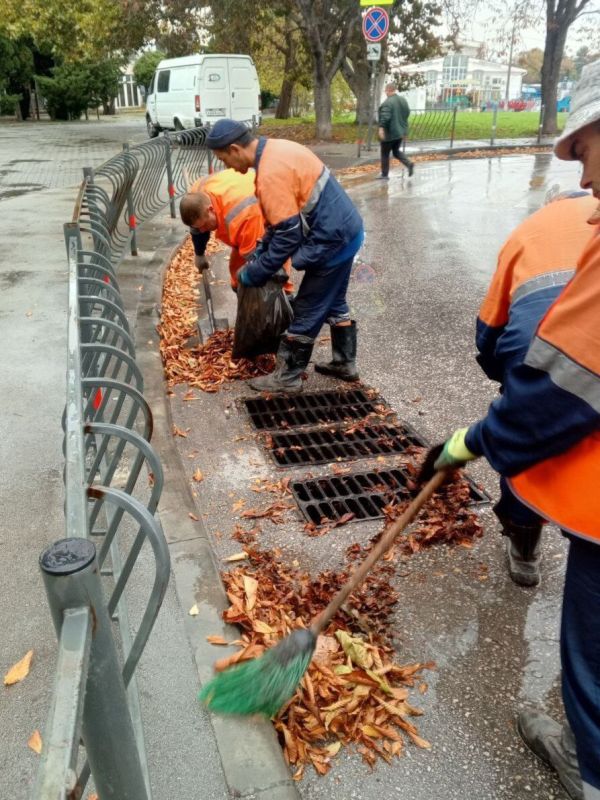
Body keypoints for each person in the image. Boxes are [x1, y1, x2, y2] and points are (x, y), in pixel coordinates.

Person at [421, 60, 600, 800]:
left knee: (592, 639)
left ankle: (590, 767)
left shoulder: (537, 233)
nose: (587, 178)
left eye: (586, 152)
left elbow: (542, 380)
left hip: (555, 399)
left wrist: (475, 438)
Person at [475, 190, 596, 586]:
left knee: (525, 443)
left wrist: (509, 384)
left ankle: (525, 547)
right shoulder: (594, 214)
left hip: (540, 344)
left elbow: (490, 328)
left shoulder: (528, 231)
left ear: (550, 204)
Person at [205, 119, 364, 393]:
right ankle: (345, 363)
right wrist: (261, 249)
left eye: (223, 159)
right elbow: (279, 222)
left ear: (234, 149)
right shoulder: (276, 150)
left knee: (307, 309)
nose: (227, 166)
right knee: (334, 302)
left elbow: (288, 235)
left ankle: (288, 377)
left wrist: (257, 271)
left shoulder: (270, 173)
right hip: (347, 231)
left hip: (332, 241)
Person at [179, 168, 293, 295]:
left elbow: (259, 260)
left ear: (210, 209)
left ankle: (282, 296)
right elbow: (197, 227)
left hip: (273, 205)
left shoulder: (243, 216)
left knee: (273, 273)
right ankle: (243, 293)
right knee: (239, 275)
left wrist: (256, 282)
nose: (202, 230)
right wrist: (199, 253)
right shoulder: (197, 194)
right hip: (245, 189)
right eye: (199, 227)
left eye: (204, 225)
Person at [377, 82, 414, 180]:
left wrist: (381, 128)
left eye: (385, 90)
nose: (385, 92)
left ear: (388, 90)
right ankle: (409, 163)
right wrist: (404, 130)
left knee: (385, 153)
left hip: (389, 133)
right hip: (399, 133)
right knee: (396, 151)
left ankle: (384, 175)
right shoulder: (403, 100)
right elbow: (406, 114)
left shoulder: (387, 103)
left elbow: (385, 117)